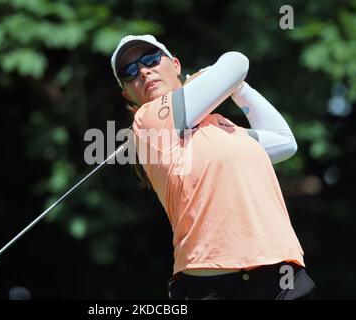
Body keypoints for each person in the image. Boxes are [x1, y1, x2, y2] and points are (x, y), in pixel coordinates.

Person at [110, 34, 316, 300]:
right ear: (128, 93)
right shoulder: (148, 120)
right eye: (129, 72)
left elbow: (285, 142)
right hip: (212, 288)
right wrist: (215, 78)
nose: (144, 71)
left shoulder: (222, 126)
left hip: (282, 279)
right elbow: (237, 62)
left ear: (175, 65)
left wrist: (239, 89)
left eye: (151, 59)